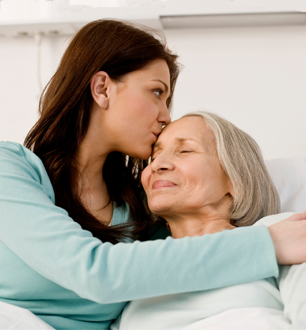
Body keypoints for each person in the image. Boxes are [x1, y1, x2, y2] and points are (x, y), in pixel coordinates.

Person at [0, 19, 306, 330]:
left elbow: (189, 249)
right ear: (102, 88)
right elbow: (95, 272)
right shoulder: (10, 169)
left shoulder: (141, 215)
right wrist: (265, 244)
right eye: (156, 92)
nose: (165, 115)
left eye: (184, 151)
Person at [112, 112, 306, 330]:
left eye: (185, 150)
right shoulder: (137, 277)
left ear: (236, 179)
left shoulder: (282, 233)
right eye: (154, 158)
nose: (157, 166)